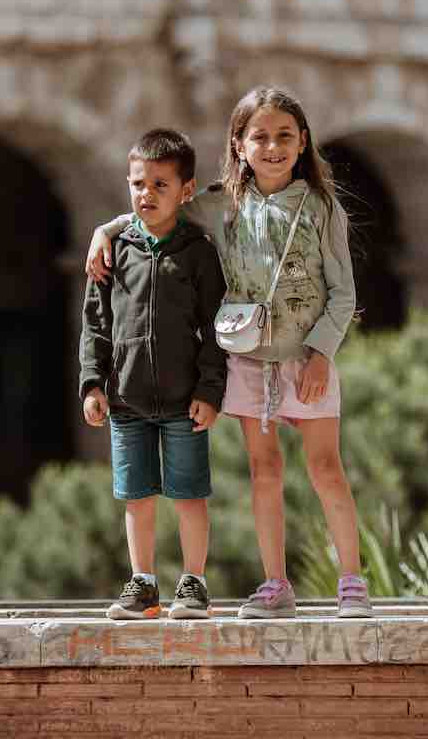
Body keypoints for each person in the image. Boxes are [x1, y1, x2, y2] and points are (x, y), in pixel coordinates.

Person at [87, 86, 370, 620]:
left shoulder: (322, 207)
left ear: (303, 141)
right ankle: (275, 584)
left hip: (307, 359)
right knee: (264, 472)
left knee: (325, 468)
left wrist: (319, 353)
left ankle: (352, 582)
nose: (272, 147)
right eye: (259, 136)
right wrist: (104, 230)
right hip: (247, 359)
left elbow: (344, 292)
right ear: (239, 145)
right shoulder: (223, 205)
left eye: (284, 136)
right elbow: (158, 210)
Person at [78, 127, 228, 620]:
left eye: (161, 185)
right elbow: (95, 323)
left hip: (186, 401)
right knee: (135, 494)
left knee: (188, 493)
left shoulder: (199, 252)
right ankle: (143, 584)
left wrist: (211, 390)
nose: (148, 194)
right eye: (139, 184)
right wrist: (93, 383)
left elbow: (215, 328)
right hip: (126, 400)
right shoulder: (112, 251)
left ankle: (194, 583)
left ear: (186, 190)